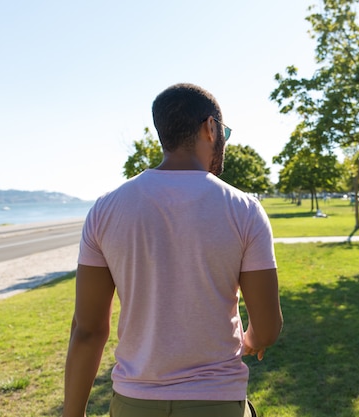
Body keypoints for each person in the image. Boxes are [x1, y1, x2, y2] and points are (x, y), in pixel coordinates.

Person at [64, 83, 283, 417]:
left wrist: (72, 413)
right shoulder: (244, 210)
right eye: (223, 131)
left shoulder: (105, 210)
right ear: (210, 128)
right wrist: (252, 338)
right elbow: (267, 327)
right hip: (217, 401)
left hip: (133, 402)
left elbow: (88, 330)